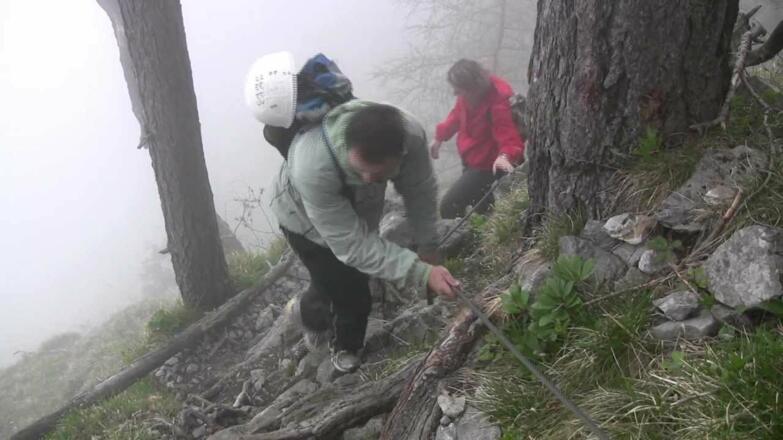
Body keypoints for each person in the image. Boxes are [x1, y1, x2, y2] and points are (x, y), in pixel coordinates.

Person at [244, 53, 460, 374]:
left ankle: (316, 302)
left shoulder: (408, 133)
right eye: (361, 172)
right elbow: (353, 247)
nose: (371, 182)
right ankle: (341, 342)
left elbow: (420, 190)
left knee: (341, 278)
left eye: (381, 174)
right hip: (301, 220)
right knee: (351, 289)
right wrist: (420, 273)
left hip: (348, 214)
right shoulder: (311, 165)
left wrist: (428, 248)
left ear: (400, 152)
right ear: (347, 151)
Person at [430, 59, 526, 219]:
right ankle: (483, 239)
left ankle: (458, 242)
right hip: (473, 161)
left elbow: (510, 140)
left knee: (449, 206)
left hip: (486, 167)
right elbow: (457, 114)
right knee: (484, 212)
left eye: (459, 91)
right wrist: (439, 137)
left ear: (473, 87)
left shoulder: (498, 103)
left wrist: (504, 158)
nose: (456, 94)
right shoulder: (470, 96)